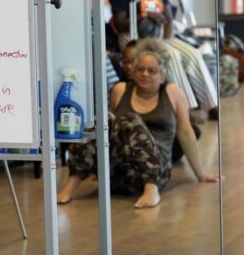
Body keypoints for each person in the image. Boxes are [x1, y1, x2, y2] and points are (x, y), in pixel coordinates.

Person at [57, 39, 219, 208]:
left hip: (156, 169)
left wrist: (200, 174)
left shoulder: (172, 92)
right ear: (133, 72)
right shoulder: (120, 90)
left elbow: (185, 133)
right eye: (140, 69)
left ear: (162, 76)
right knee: (103, 120)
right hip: (120, 171)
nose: (145, 74)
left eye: (152, 71)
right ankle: (72, 183)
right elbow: (111, 134)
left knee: (129, 120)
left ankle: (151, 190)